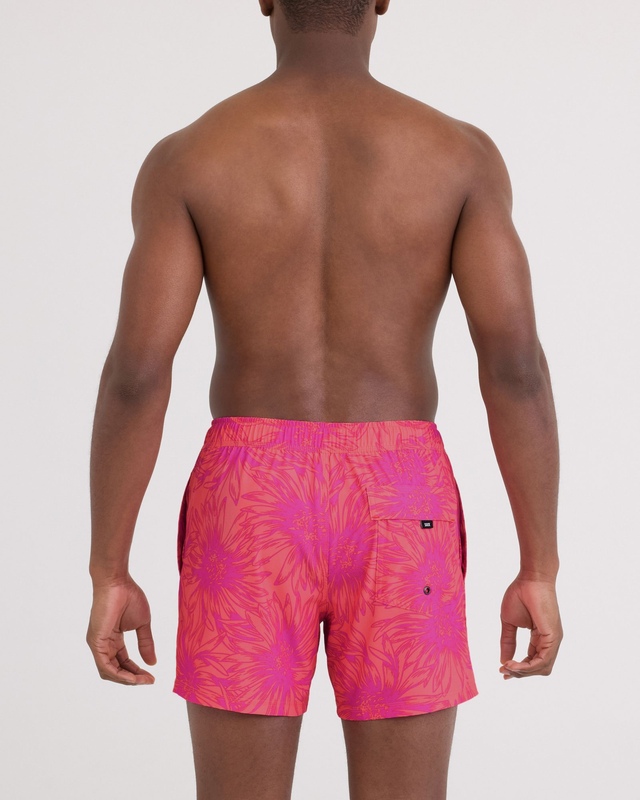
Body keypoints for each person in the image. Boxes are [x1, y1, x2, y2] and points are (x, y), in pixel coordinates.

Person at [86, 1, 563, 797]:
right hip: (403, 496)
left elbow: (136, 372)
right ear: (382, 1)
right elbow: (515, 367)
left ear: (265, 1)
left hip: (248, 497)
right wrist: (539, 566)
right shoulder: (460, 157)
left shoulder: (190, 157)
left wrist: (109, 569)